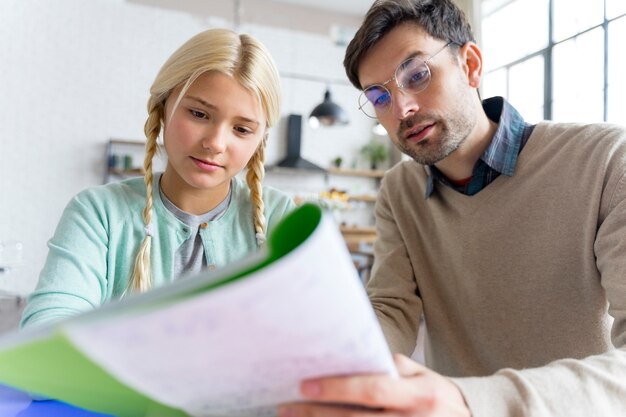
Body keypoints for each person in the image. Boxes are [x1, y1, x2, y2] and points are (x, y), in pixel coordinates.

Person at [279, 1, 626, 416]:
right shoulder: (399, 191)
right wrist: (339, 366)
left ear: (471, 64)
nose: (402, 108)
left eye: (417, 74)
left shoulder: (606, 160)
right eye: (379, 95)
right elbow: (391, 308)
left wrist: (470, 402)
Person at [21, 28, 295, 328]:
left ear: (260, 139)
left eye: (242, 130)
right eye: (199, 114)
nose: (216, 143)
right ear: (164, 107)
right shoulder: (99, 214)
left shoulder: (282, 218)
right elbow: (46, 329)